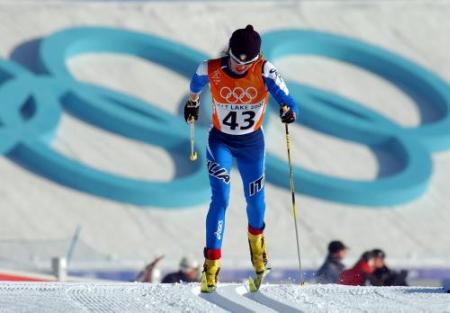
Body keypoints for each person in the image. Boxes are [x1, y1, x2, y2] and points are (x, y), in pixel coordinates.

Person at [184, 25, 299, 292]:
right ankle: (211, 267)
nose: (240, 67)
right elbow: (195, 84)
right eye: (235, 61)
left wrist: (288, 111)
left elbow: (291, 102)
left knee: (255, 202)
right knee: (221, 199)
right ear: (229, 53)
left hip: (251, 145)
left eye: (246, 62)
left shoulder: (265, 71)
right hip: (221, 141)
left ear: (257, 57)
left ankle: (259, 257)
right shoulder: (210, 68)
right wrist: (192, 101)